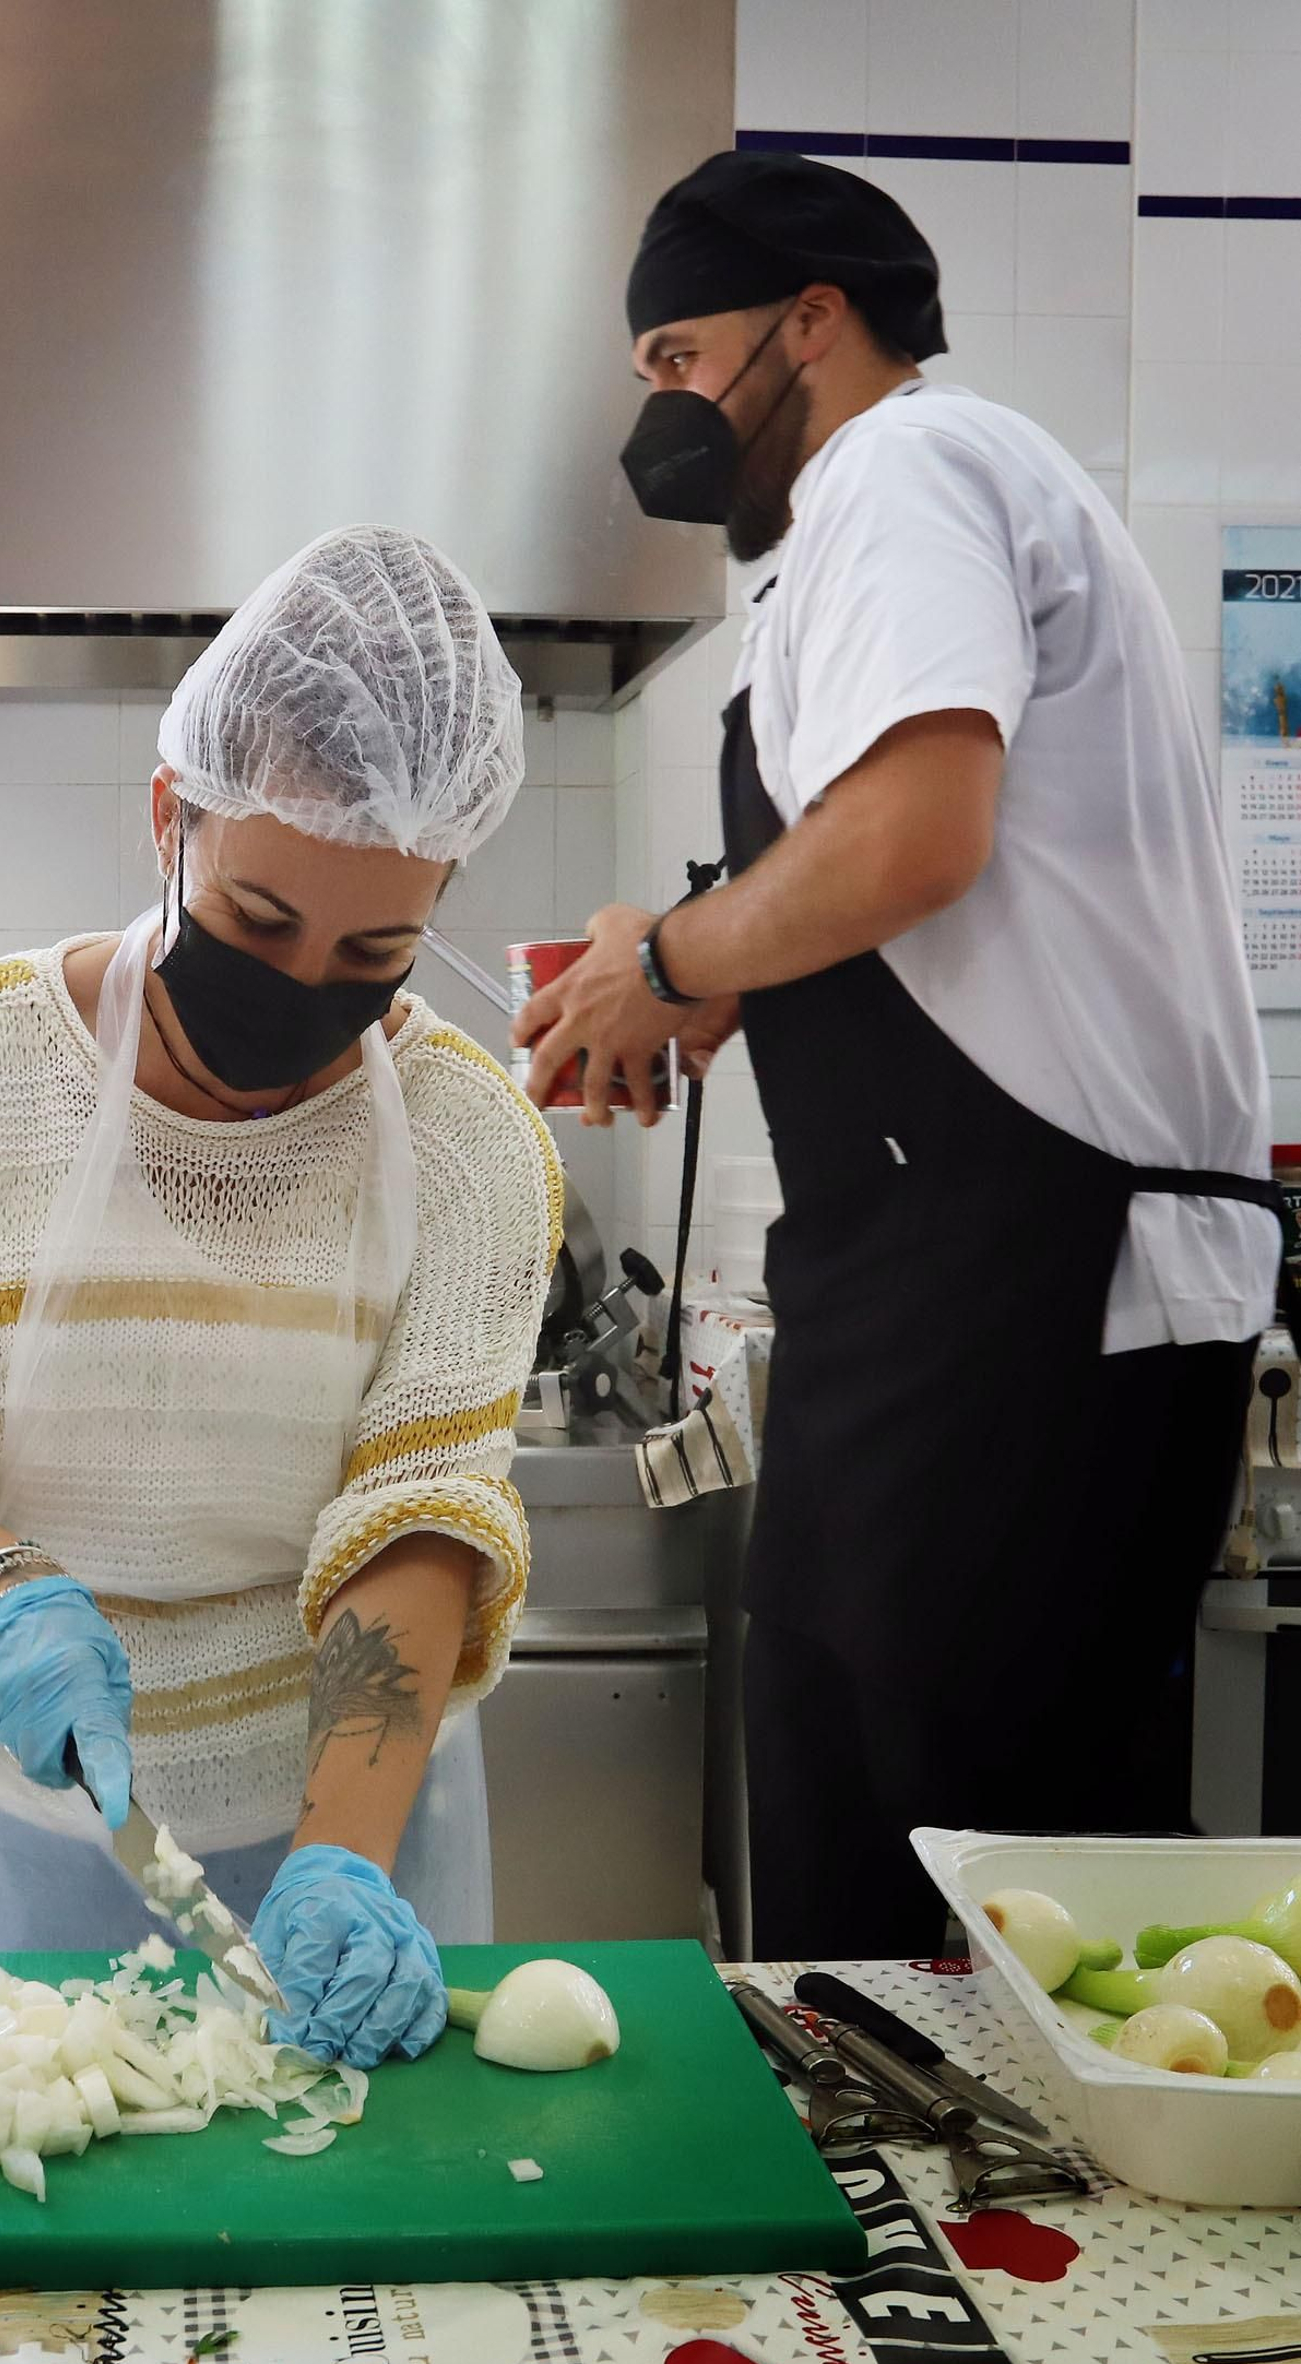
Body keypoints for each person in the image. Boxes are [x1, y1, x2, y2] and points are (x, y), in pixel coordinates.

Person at [515, 151, 1281, 1958]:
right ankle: (921, 2226)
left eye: (683, 357)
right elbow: (914, 885)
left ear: (814, 319)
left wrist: (683, 951)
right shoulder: (891, 520)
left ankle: (1014, 2236)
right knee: (895, 1824)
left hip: (1031, 1279)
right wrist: (702, 974)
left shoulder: (911, 466)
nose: (671, 418)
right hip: (953, 1279)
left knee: (978, 1881)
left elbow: (921, 833)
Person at [0, 524, 561, 2066]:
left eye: (375, 950)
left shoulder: (471, 1143)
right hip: (30, 1838)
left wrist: (339, 1860)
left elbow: (421, 1512)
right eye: (263, 921)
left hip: (358, 1816)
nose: (302, 985)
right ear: (170, 817)